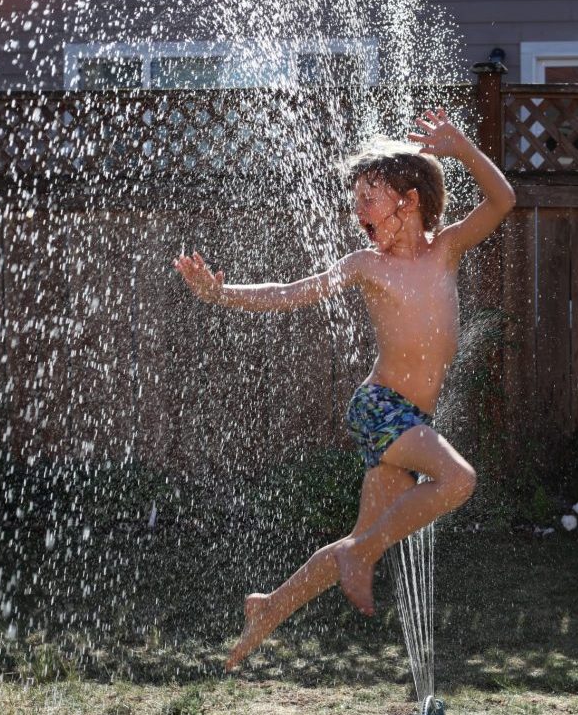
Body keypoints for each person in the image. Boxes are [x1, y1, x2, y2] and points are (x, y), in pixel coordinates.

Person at [172, 107, 516, 671]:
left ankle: (267, 609)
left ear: (408, 199)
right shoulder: (365, 264)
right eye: (355, 198)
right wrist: (222, 293)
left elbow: (504, 201)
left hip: (407, 419)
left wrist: (464, 149)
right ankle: (363, 555)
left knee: (360, 537)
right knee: (458, 480)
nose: (357, 209)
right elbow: (292, 291)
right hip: (381, 408)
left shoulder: (446, 250)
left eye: (369, 196)